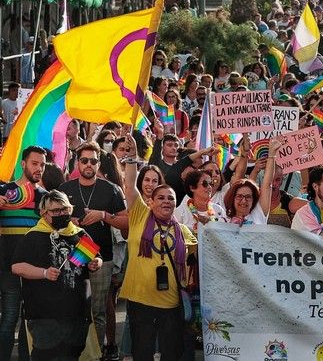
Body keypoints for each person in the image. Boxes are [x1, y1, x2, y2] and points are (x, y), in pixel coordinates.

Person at [12, 190, 102, 360]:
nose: (61, 214)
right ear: (43, 213)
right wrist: (44, 273)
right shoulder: (33, 236)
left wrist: (95, 263)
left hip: (76, 314)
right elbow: (17, 267)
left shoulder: (79, 234)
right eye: (55, 211)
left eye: (65, 209)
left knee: (72, 355)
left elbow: (96, 258)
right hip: (44, 316)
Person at [58, 142, 128, 350]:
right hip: (74, 255)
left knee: (98, 310)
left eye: (94, 161)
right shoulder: (65, 188)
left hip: (102, 256)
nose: (89, 164)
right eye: (84, 160)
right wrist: (70, 220)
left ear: (99, 164)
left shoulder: (111, 189)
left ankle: (97, 352)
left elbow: (126, 223)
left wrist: (104, 216)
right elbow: (51, 219)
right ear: (77, 162)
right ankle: (74, 352)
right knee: (73, 307)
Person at [121, 171, 196, 359]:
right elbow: (130, 186)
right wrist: (131, 159)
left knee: (171, 354)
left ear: (175, 203)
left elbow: (198, 261)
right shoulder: (140, 216)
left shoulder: (183, 231)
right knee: (142, 352)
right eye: (160, 197)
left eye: (171, 198)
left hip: (170, 304)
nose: (166, 201)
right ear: (151, 202)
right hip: (140, 301)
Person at [0, 146, 48, 360]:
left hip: (35, 270)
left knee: (30, 320)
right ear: (23, 164)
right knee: (9, 318)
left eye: (42, 165)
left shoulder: (46, 197)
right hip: (7, 266)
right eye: (34, 163)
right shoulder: (3, 191)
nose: (39, 168)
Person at [222, 138, 283, 225]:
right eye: (239, 196)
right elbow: (239, 175)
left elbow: (267, 184)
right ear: (232, 198)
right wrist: (244, 154)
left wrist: (272, 155)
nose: (243, 201)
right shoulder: (224, 217)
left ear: (254, 199)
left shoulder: (259, 212)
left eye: (248, 197)